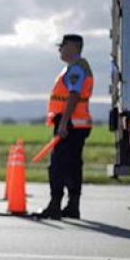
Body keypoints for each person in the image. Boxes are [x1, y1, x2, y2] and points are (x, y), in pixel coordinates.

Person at [35, 34, 93, 220]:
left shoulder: (76, 69)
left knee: (58, 166)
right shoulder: (77, 67)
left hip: (69, 125)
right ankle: (72, 206)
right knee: (73, 166)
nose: (59, 49)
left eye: (63, 46)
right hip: (76, 124)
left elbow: (74, 95)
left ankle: (55, 206)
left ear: (73, 47)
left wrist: (63, 122)